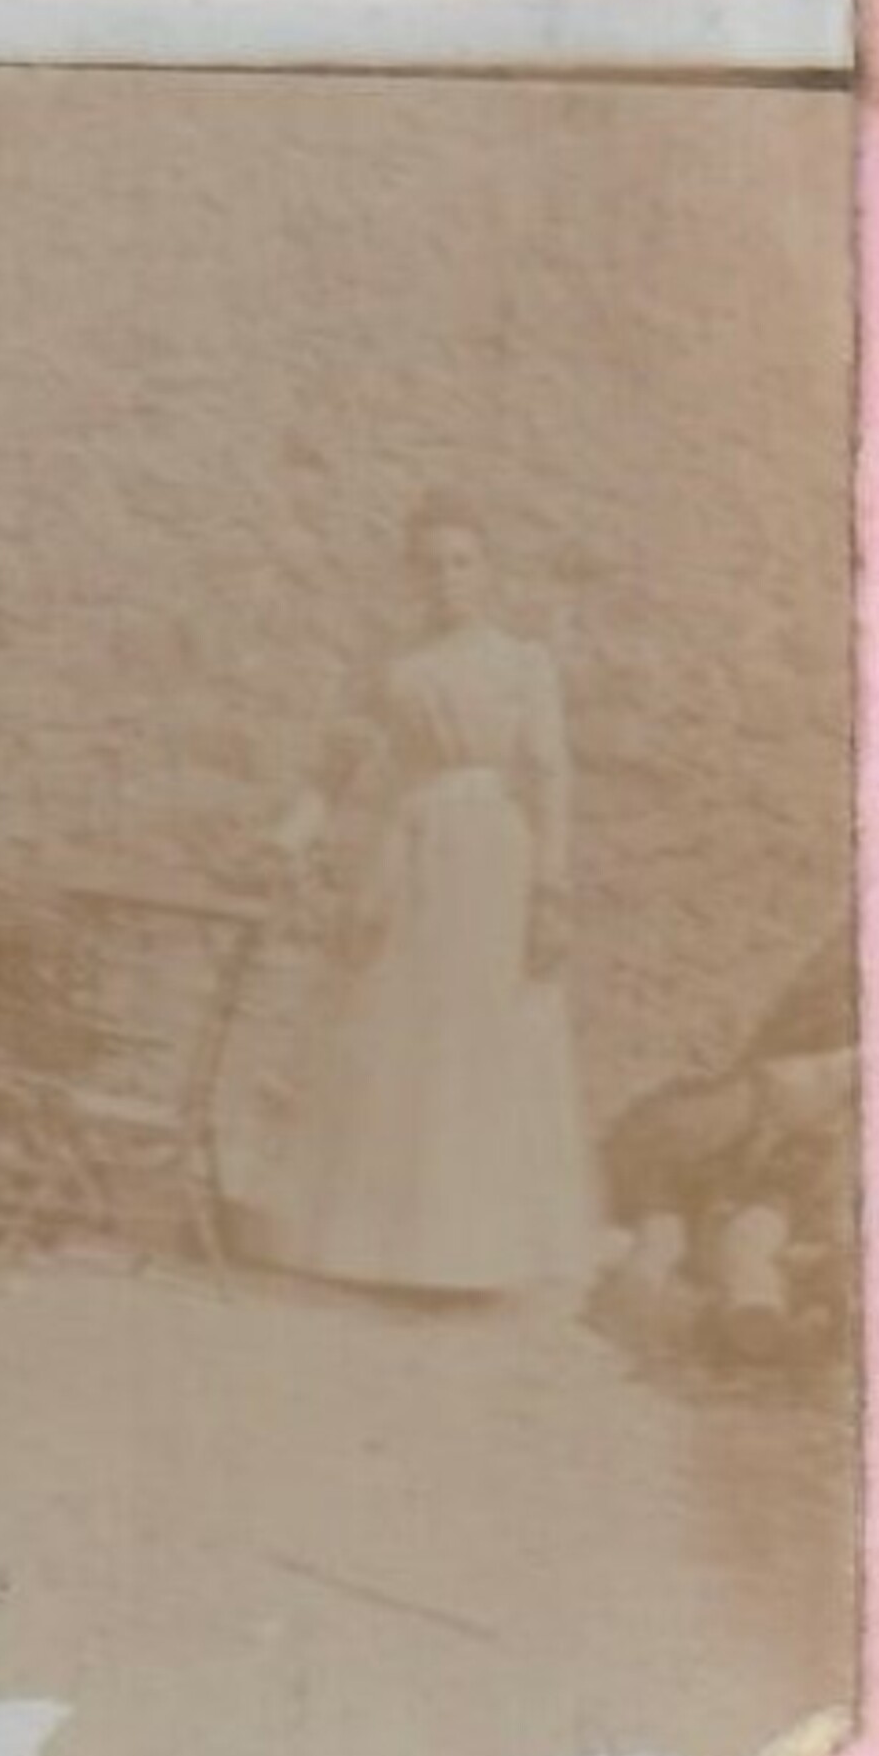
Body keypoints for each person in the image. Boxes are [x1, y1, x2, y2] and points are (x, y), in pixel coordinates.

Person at [248, 501, 599, 1297]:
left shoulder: (521, 665)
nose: (447, 579)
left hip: (492, 859)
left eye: (462, 562)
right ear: (411, 575)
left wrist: (551, 889)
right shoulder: (396, 668)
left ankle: (470, 1252)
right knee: (389, 1031)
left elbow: (550, 778)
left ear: (488, 572)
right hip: (408, 855)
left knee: (476, 1038)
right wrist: (286, 838)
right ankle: (385, 1245)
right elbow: (336, 768)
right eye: (431, 564)